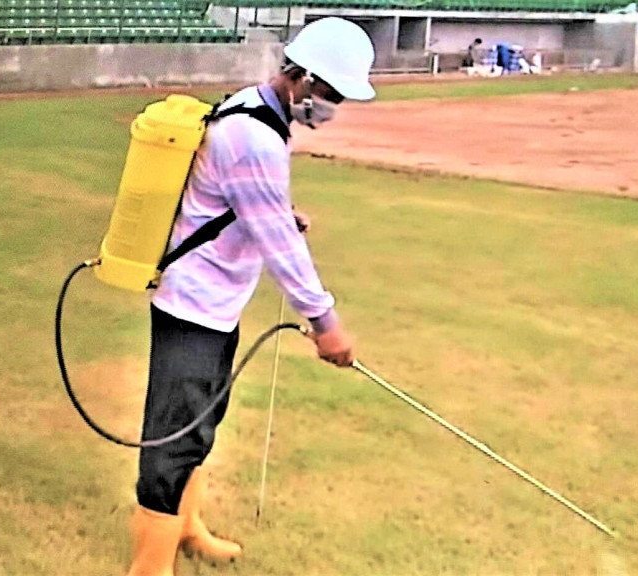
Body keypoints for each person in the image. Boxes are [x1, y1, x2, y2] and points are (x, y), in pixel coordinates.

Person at [126, 17, 375, 576]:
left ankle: (188, 528)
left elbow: (240, 203)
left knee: (200, 427)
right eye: (330, 94)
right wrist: (325, 323)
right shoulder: (256, 136)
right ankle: (149, 567)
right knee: (172, 441)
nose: (332, 107)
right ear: (302, 78)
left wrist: (279, 214)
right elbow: (282, 249)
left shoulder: (259, 111)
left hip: (217, 305)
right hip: (191, 305)